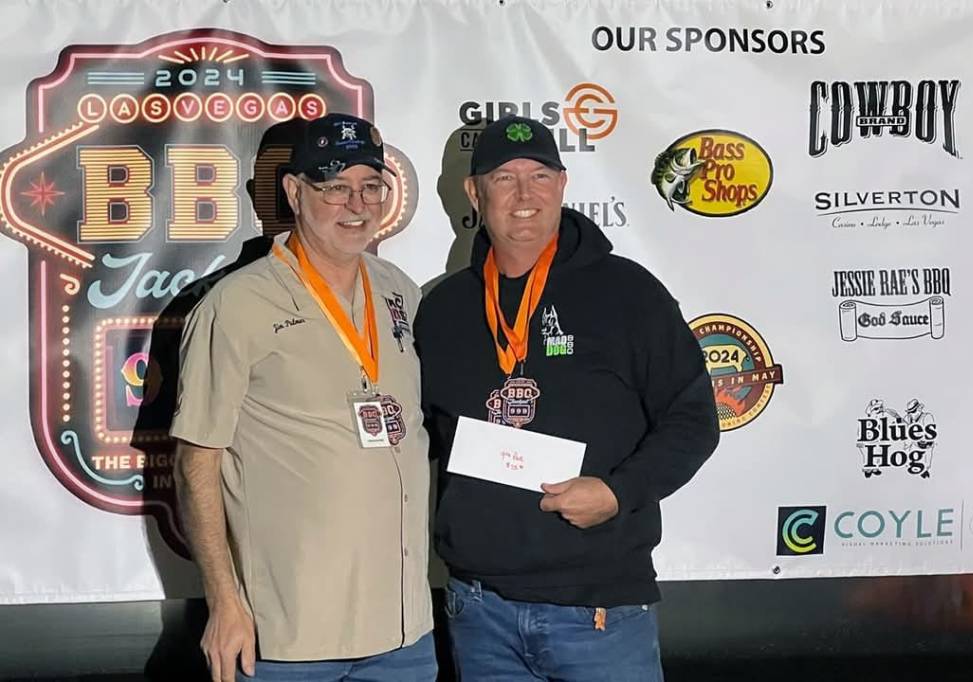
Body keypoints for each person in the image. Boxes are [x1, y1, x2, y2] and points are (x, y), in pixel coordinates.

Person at [415, 115, 720, 680]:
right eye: (504, 178)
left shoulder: (629, 293)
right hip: (479, 610)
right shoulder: (442, 310)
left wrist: (618, 492)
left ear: (562, 184)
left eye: (539, 176)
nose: (524, 194)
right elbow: (421, 440)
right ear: (474, 193)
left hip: (599, 611)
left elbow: (693, 419)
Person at [170, 113, 436, 682]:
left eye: (371, 186)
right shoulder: (235, 305)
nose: (357, 205)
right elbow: (197, 461)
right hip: (286, 638)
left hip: (404, 633)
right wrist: (224, 602)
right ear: (294, 192)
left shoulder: (399, 291)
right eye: (335, 187)